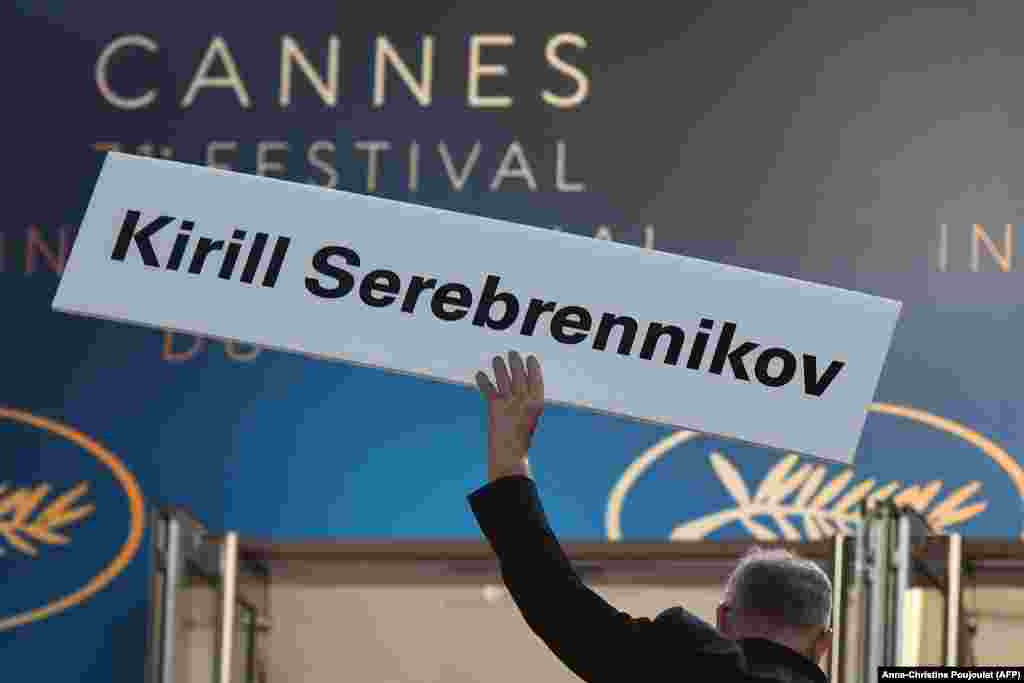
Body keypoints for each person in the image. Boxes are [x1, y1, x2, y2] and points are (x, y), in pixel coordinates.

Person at [467, 351, 833, 683]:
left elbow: (554, 597)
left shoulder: (677, 666)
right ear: (823, 644)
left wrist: (510, 453)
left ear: (723, 620)